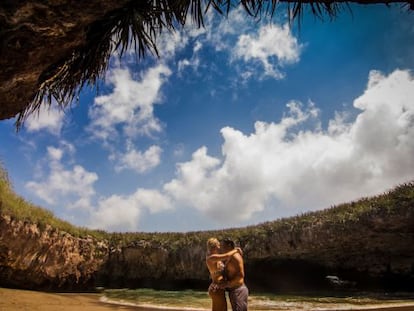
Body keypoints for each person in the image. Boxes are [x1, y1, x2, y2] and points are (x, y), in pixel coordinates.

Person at [206, 237, 242, 311]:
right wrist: (236, 250)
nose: (220, 247)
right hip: (216, 288)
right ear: (215, 245)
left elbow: (225, 264)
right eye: (218, 245)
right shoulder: (211, 257)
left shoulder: (216, 257)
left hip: (219, 288)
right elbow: (227, 256)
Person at [220, 238, 249, 311]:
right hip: (235, 290)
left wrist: (227, 284)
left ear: (229, 245)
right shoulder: (231, 256)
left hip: (238, 290)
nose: (221, 248)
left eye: (223, 246)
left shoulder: (235, 256)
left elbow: (240, 276)